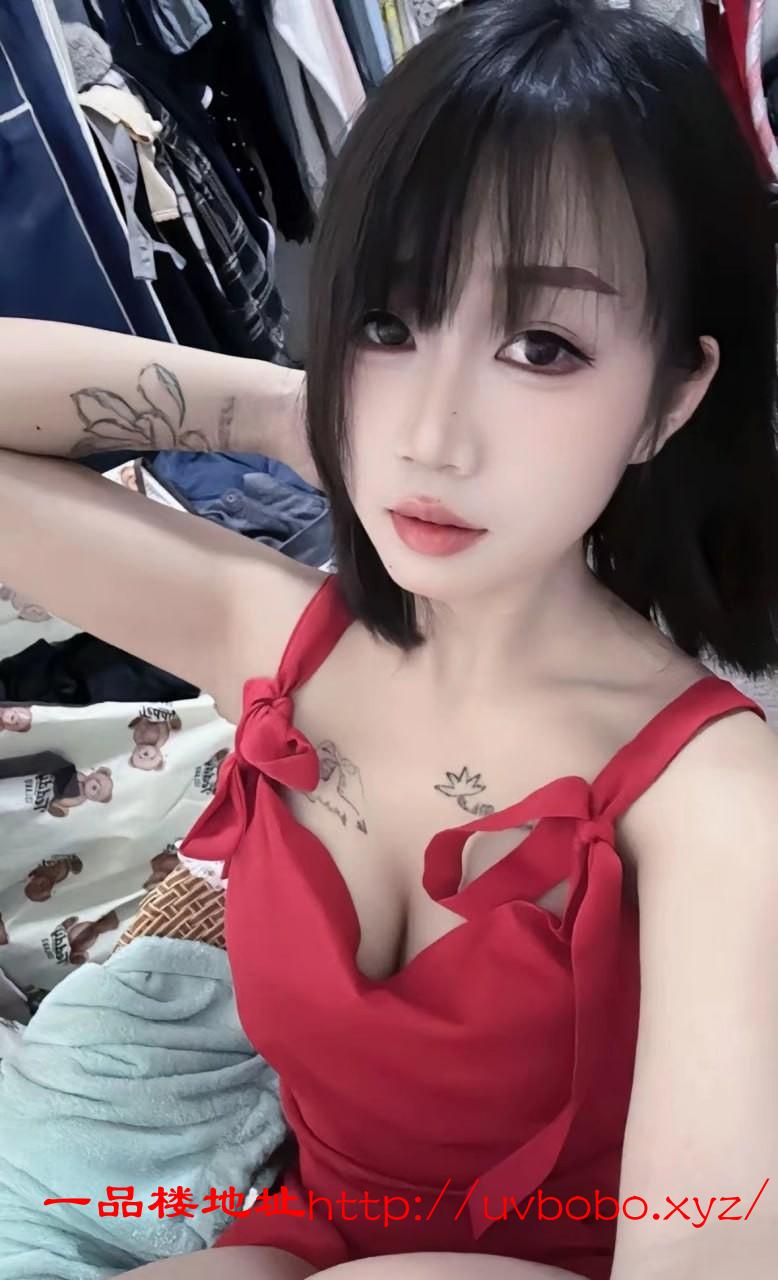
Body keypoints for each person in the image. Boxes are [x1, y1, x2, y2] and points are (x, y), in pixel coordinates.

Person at [1, 1, 777, 1278]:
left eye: (541, 345)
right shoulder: (280, 640)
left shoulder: (712, 800)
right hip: (307, 1232)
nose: (431, 434)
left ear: (670, 398)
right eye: (387, 322)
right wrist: (280, 411)